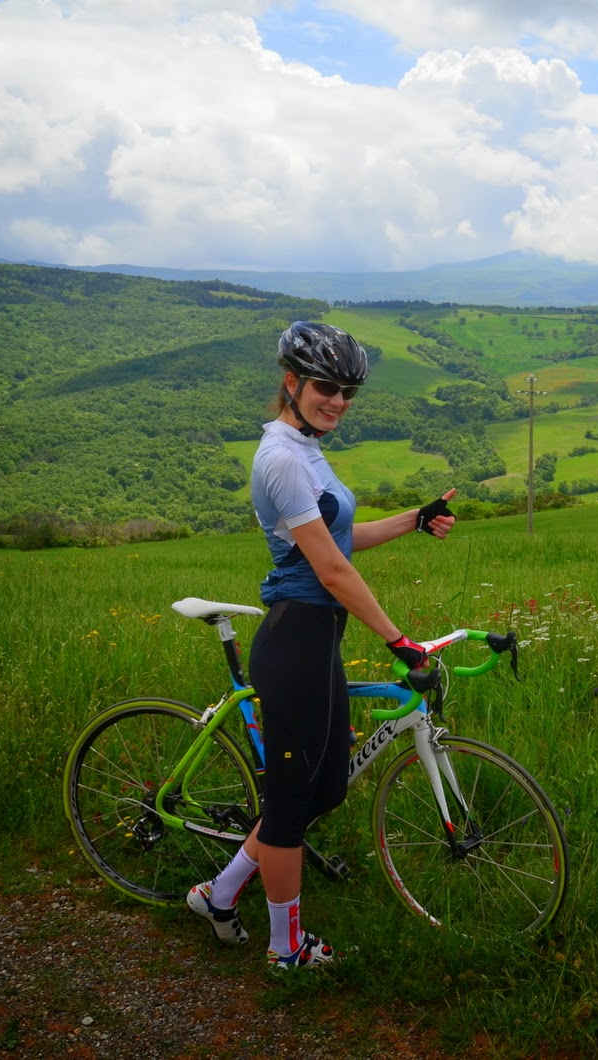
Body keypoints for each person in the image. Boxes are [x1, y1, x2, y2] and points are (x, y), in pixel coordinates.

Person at [186, 320, 456, 970]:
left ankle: (218, 894)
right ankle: (286, 950)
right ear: (292, 382)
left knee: (325, 790)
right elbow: (331, 571)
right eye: (326, 387)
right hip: (293, 646)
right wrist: (399, 641)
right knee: (287, 807)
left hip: (317, 645)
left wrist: (413, 522)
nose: (337, 400)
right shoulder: (279, 457)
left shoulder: (305, 448)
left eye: (347, 392)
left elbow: (338, 539)